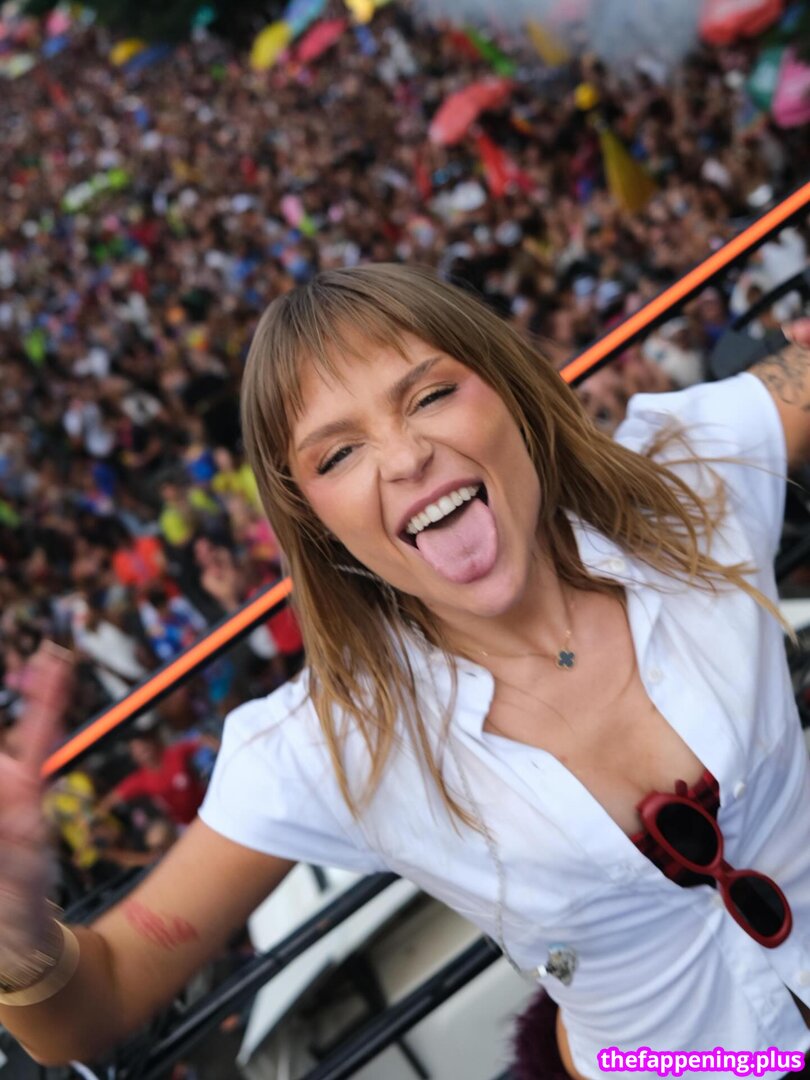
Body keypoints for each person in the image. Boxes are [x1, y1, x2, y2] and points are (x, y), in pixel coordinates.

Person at [2, 265, 810, 1079]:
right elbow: (102, 999)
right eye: (339, 454)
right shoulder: (330, 745)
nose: (405, 457)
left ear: (507, 384)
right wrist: (20, 946)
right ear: (312, 519)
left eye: (430, 395)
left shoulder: (688, 477)